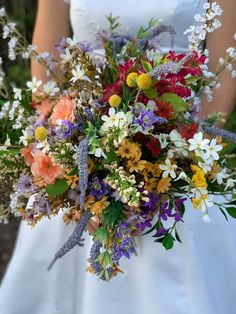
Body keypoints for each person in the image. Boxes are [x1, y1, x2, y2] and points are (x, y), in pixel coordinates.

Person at [0, 0, 236, 313]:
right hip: (81, 149)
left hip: (176, 156)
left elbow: (224, 73)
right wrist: (71, 158)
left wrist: (174, 160)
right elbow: (46, 66)